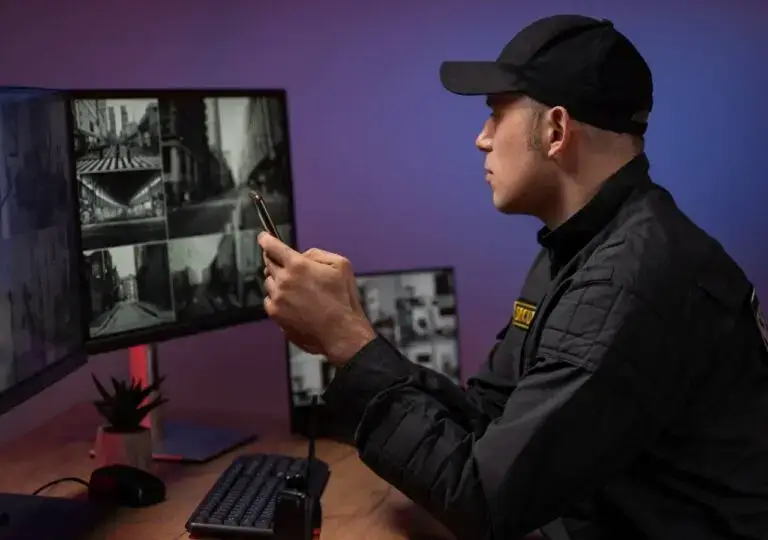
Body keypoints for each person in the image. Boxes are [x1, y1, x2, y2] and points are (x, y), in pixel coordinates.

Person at [257, 14, 768, 540]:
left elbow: (485, 500)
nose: (481, 139)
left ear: (555, 130)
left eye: (496, 114)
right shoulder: (584, 244)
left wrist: (349, 344)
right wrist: (357, 334)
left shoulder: (629, 281)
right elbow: (490, 418)